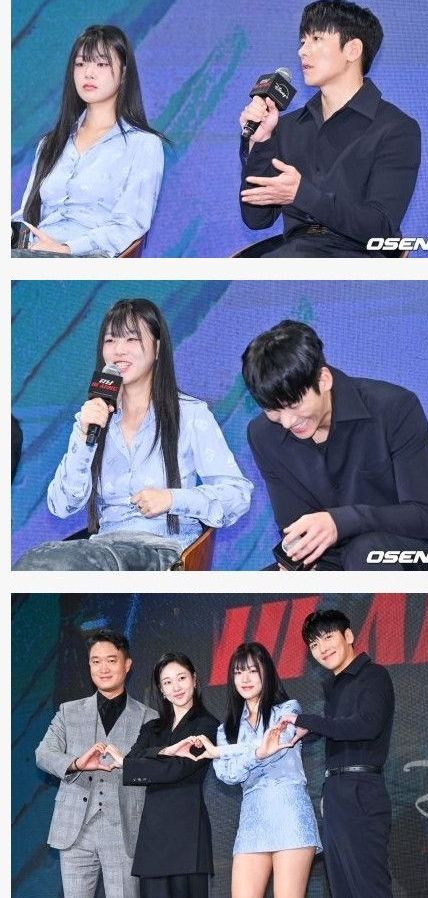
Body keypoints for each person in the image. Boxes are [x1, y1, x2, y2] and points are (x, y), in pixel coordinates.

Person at [14, 298, 252, 571]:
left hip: (163, 550)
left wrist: (172, 499)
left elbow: (237, 495)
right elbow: (61, 505)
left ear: (157, 348)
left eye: (132, 339)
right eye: (110, 340)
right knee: (32, 564)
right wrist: (83, 438)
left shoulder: (190, 414)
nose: (119, 350)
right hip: (104, 549)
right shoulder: (94, 416)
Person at [242, 319, 428, 570]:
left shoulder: (395, 408)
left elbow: (427, 517)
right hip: (334, 560)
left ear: (323, 380)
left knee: (366, 552)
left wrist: (341, 522)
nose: (287, 421)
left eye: (294, 405)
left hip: (417, 552)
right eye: (272, 409)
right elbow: (294, 525)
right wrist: (300, 559)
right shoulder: (263, 435)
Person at [238, 0, 421, 257]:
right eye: (302, 41)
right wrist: (261, 142)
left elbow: (381, 229)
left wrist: (301, 193)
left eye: (316, 39)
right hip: (294, 253)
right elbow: (256, 219)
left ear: (352, 50)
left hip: (355, 257)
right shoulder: (287, 126)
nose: (302, 51)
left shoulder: (396, 128)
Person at [11, 25, 165, 257]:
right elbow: (28, 214)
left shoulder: (143, 144)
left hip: (86, 256)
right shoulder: (51, 143)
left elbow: (130, 224)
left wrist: (67, 248)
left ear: (124, 73)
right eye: (81, 63)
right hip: (33, 251)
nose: (88, 73)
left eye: (101, 64)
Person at [280, 609, 395, 898]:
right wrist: (311, 731)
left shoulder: (373, 675)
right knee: (341, 888)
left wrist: (310, 721)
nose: (322, 648)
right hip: (335, 793)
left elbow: (367, 725)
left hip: (361, 791)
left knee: (368, 886)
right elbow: (339, 728)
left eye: (328, 637)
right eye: (314, 644)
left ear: (349, 636)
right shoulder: (334, 686)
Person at [192, 642, 321, 898]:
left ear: (267, 672)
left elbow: (280, 743)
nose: (245, 679)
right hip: (252, 820)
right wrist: (257, 753)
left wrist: (226, 751)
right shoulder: (227, 729)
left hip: (290, 813)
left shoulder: (287, 710)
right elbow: (227, 774)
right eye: (239, 672)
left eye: (253, 670)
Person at [35, 629, 156, 898]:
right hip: (75, 830)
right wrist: (77, 763)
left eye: (111, 660)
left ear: (127, 665)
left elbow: (155, 771)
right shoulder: (68, 711)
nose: (103, 668)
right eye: (96, 661)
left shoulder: (149, 717)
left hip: (124, 829)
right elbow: (43, 754)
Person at [104, 652, 219, 898]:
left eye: (181, 678)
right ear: (161, 690)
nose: (176, 687)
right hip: (153, 838)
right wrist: (164, 750)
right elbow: (135, 757)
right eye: (167, 682)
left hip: (188, 836)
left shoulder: (207, 725)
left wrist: (133, 762)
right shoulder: (152, 728)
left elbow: (176, 769)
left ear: (194, 679)